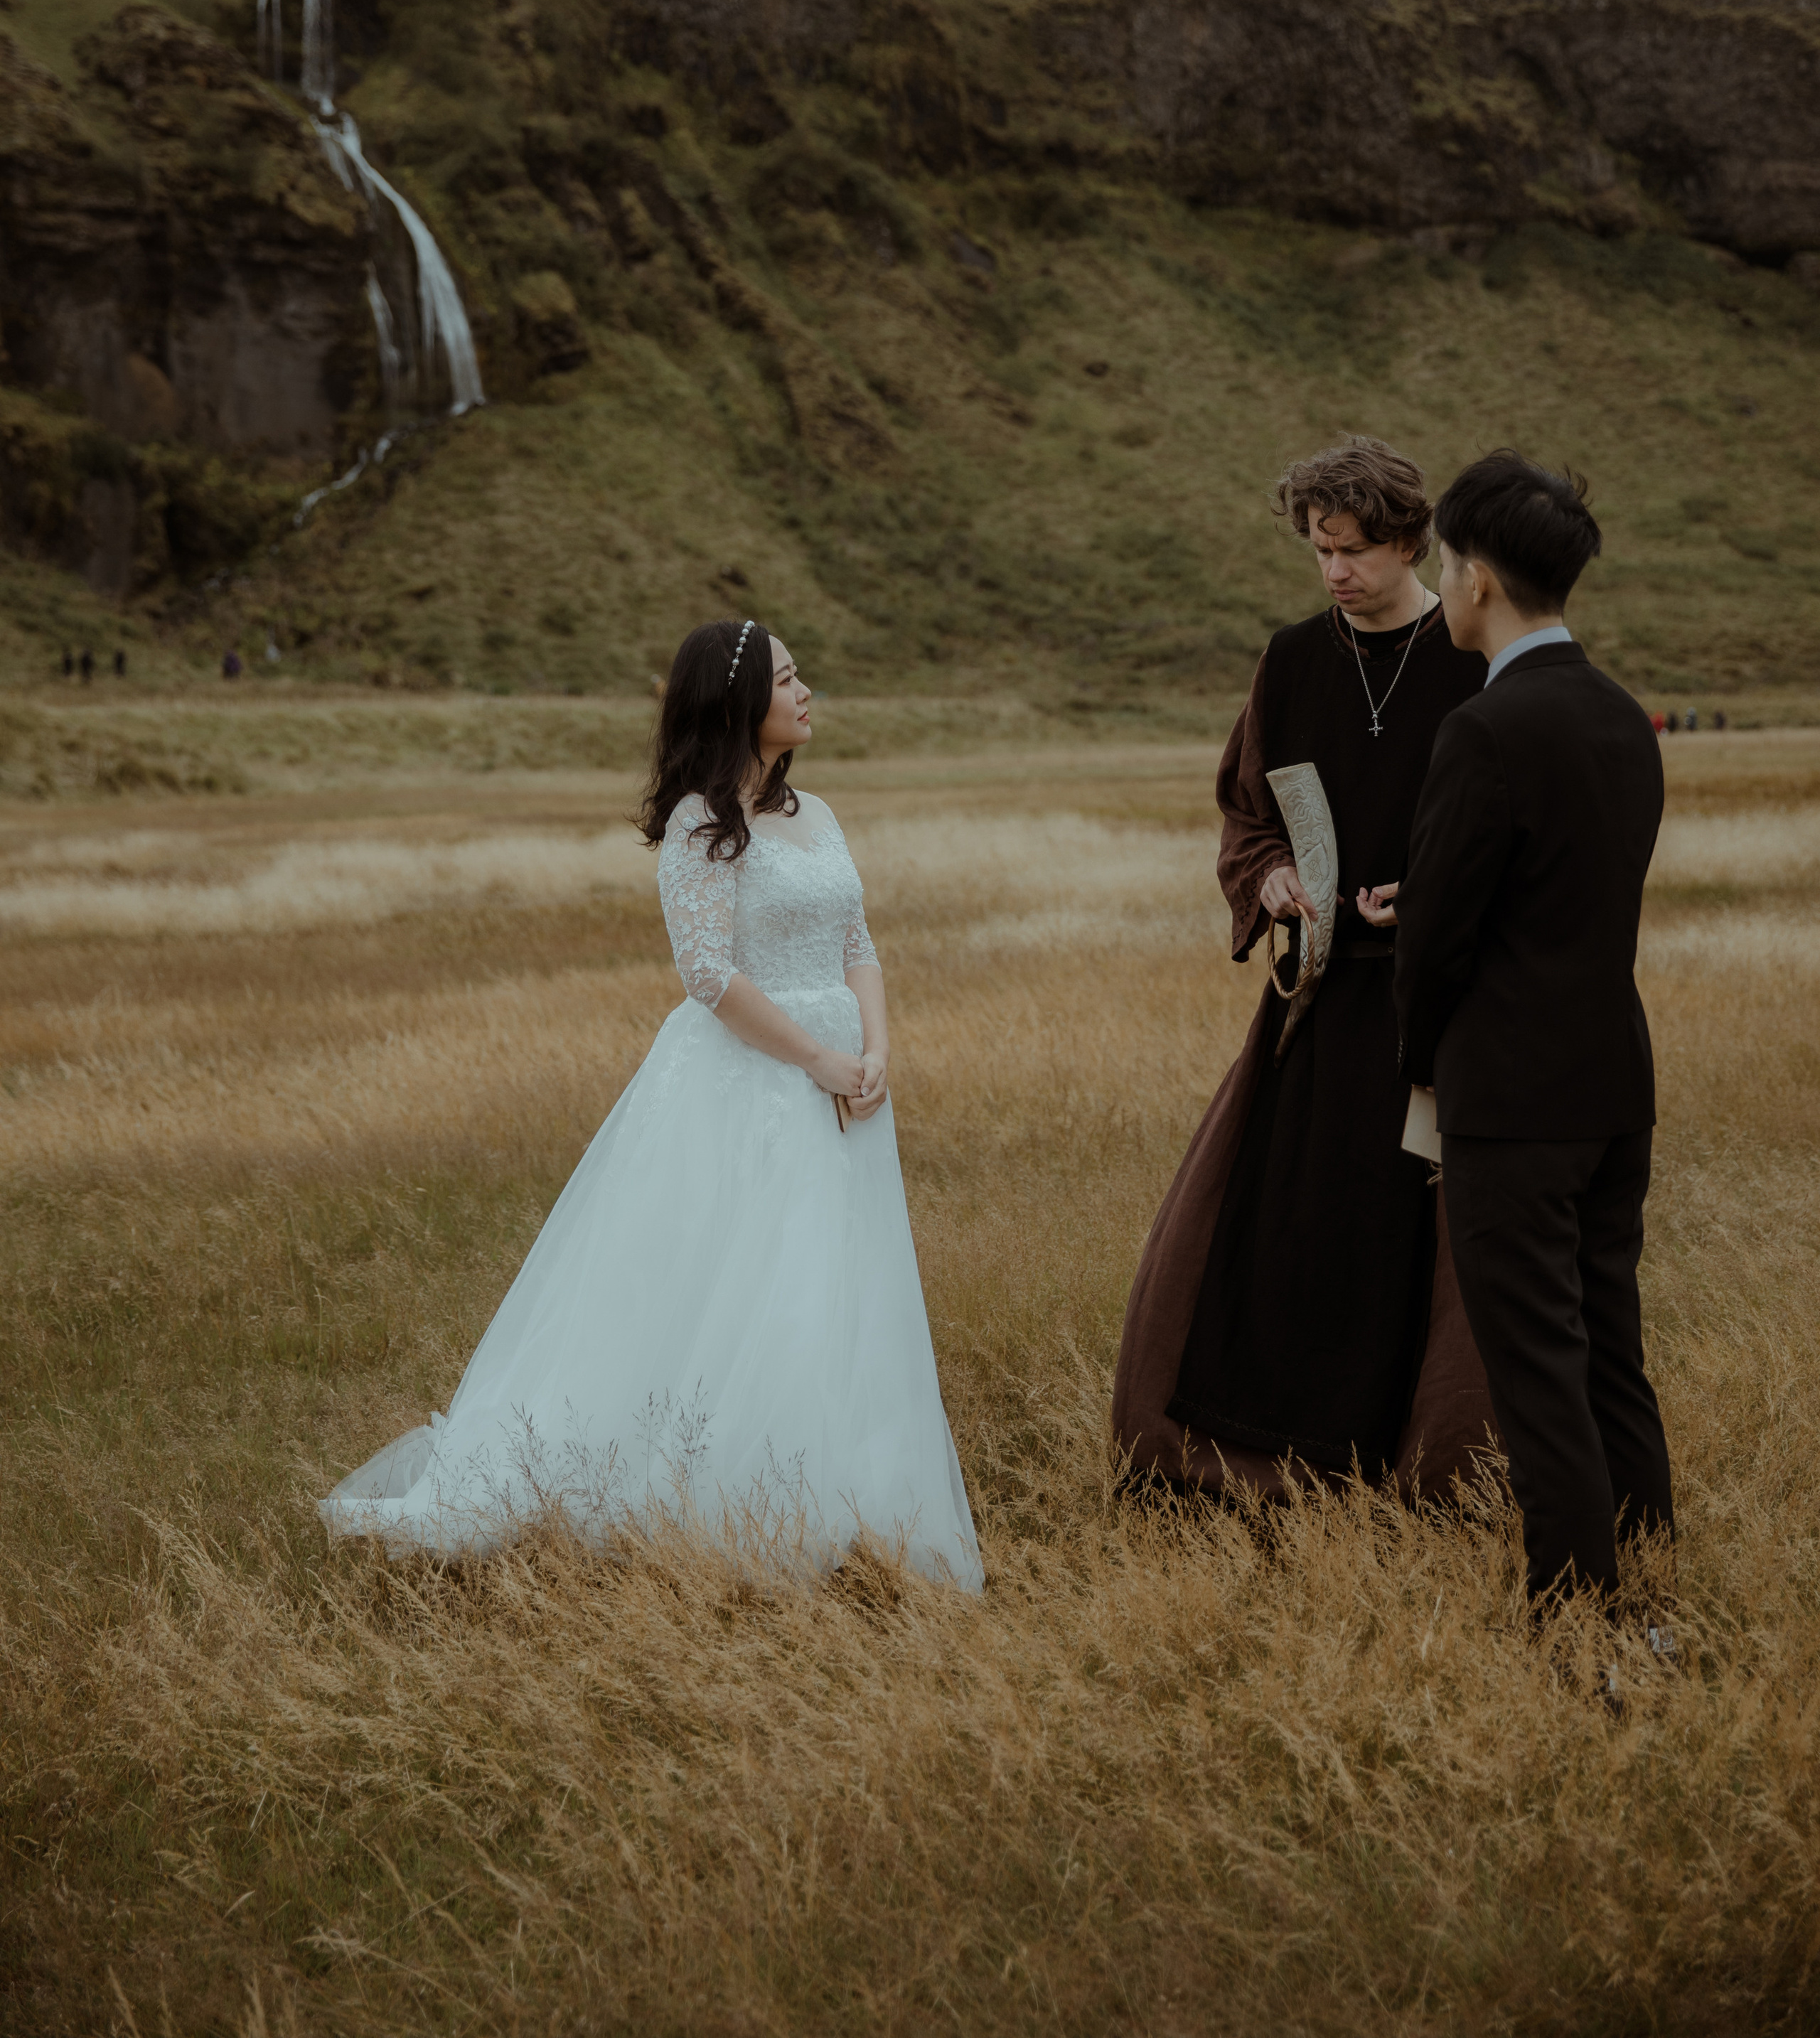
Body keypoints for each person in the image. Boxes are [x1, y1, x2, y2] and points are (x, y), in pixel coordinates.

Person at [322, 616, 982, 1589]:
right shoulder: (698, 824)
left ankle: (852, 1497)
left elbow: (859, 946)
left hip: (847, 1082)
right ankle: (734, 1508)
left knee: (847, 1286)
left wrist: (875, 1050)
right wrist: (816, 1060)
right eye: (790, 680)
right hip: (752, 1084)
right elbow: (709, 975)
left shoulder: (822, 813)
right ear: (738, 703)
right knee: (754, 1285)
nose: (809, 694)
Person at [1114, 437, 1496, 1503]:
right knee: (1286, 1238)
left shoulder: (1471, 655)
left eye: (1357, 550)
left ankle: (1424, 1475)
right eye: (1321, 550)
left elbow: (1522, 832)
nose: (1336, 571)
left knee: (1418, 1249)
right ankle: (1268, 1469)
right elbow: (1245, 815)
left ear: (1413, 539)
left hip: (1441, 1013)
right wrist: (1273, 879)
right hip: (1320, 1005)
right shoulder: (1289, 661)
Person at [1393, 454, 1674, 1609]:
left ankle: (1578, 1616)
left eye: (1448, 565)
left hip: (1510, 1101)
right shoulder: (1622, 717)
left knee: (1536, 1372)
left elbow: (1438, 944)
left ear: (1475, 580)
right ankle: (1650, 1580)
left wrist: (1420, 1071)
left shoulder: (1486, 730)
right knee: (1611, 1347)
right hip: (1613, 1080)